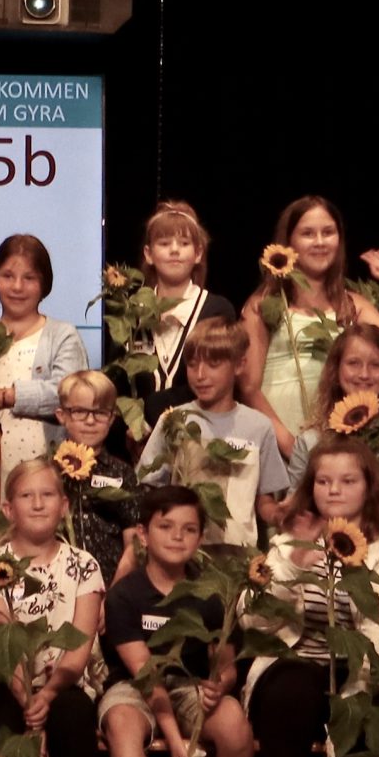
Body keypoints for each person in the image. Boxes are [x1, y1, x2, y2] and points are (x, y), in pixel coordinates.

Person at [245, 438, 379, 757]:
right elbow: (254, 621)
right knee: (289, 696)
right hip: (296, 661)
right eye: (323, 481)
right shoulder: (288, 543)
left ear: (368, 487)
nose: (334, 490)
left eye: (347, 481)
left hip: (361, 668)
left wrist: (355, 684)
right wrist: (293, 566)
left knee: (373, 714)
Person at [99, 485, 255, 757]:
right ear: (143, 535)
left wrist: (220, 685)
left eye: (189, 529)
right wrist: (174, 739)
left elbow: (227, 664)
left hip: (190, 684)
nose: (177, 537)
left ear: (200, 539)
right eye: (165, 526)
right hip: (135, 686)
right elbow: (145, 673)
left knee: (233, 721)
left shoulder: (212, 593)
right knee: (121, 723)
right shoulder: (124, 596)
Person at [240, 195, 379, 452]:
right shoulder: (264, 305)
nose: (319, 242)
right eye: (307, 233)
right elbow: (249, 386)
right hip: (278, 441)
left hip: (335, 444)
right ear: (288, 242)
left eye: (328, 232)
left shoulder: (353, 306)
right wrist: (291, 446)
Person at [0, 457, 107, 757]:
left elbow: (78, 650)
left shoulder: (84, 565)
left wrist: (46, 696)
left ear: (63, 506)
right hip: (8, 682)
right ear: (9, 510)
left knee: (72, 716)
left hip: (65, 684)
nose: (37, 504)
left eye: (47, 495)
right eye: (26, 496)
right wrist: (27, 702)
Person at [281, 322, 379, 550]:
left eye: (375, 365)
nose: (364, 374)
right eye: (353, 363)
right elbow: (295, 519)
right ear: (336, 371)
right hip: (326, 563)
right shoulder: (311, 442)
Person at [136, 317, 289, 553]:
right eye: (192, 364)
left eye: (213, 364)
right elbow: (149, 486)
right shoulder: (174, 421)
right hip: (181, 553)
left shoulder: (259, 426)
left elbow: (264, 500)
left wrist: (280, 514)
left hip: (238, 554)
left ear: (239, 365)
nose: (200, 375)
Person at [0, 233, 90, 462]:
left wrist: (5, 397)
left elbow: (70, 396)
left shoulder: (62, 335)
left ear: (44, 285)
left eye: (29, 278)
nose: (17, 287)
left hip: (46, 469)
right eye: (7, 276)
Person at [127, 200, 236, 430]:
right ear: (148, 254)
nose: (174, 250)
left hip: (202, 431)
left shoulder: (216, 310)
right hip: (137, 439)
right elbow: (119, 380)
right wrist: (132, 425)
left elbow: (218, 378)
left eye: (184, 243)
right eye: (164, 243)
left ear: (198, 253)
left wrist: (152, 410)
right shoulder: (132, 312)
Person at [52, 367, 140, 583]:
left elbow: (133, 543)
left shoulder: (122, 473)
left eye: (100, 413)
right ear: (62, 416)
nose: (90, 421)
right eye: (79, 411)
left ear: (111, 418)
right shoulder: (48, 470)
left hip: (110, 582)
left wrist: (115, 593)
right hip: (57, 584)